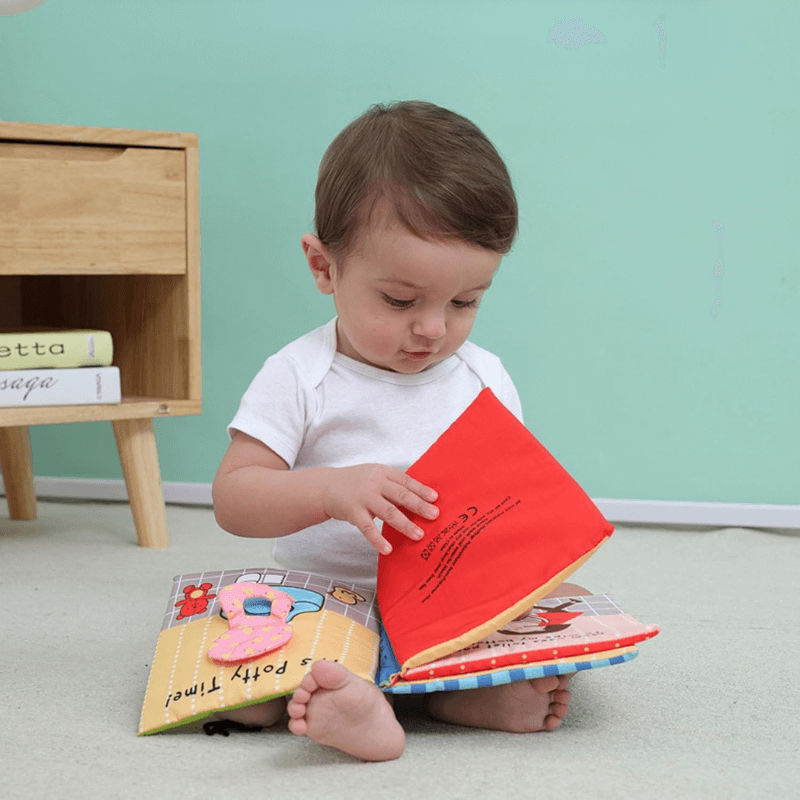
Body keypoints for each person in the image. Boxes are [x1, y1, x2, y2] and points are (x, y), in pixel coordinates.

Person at [212, 100, 586, 761]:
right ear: (324, 267)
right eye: (400, 301)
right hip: (330, 600)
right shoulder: (300, 374)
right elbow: (235, 497)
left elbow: (509, 505)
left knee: (551, 617)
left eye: (465, 302)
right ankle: (368, 704)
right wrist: (329, 490)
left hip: (447, 607)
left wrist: (541, 572)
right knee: (248, 661)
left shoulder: (484, 377)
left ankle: (446, 694)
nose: (434, 329)